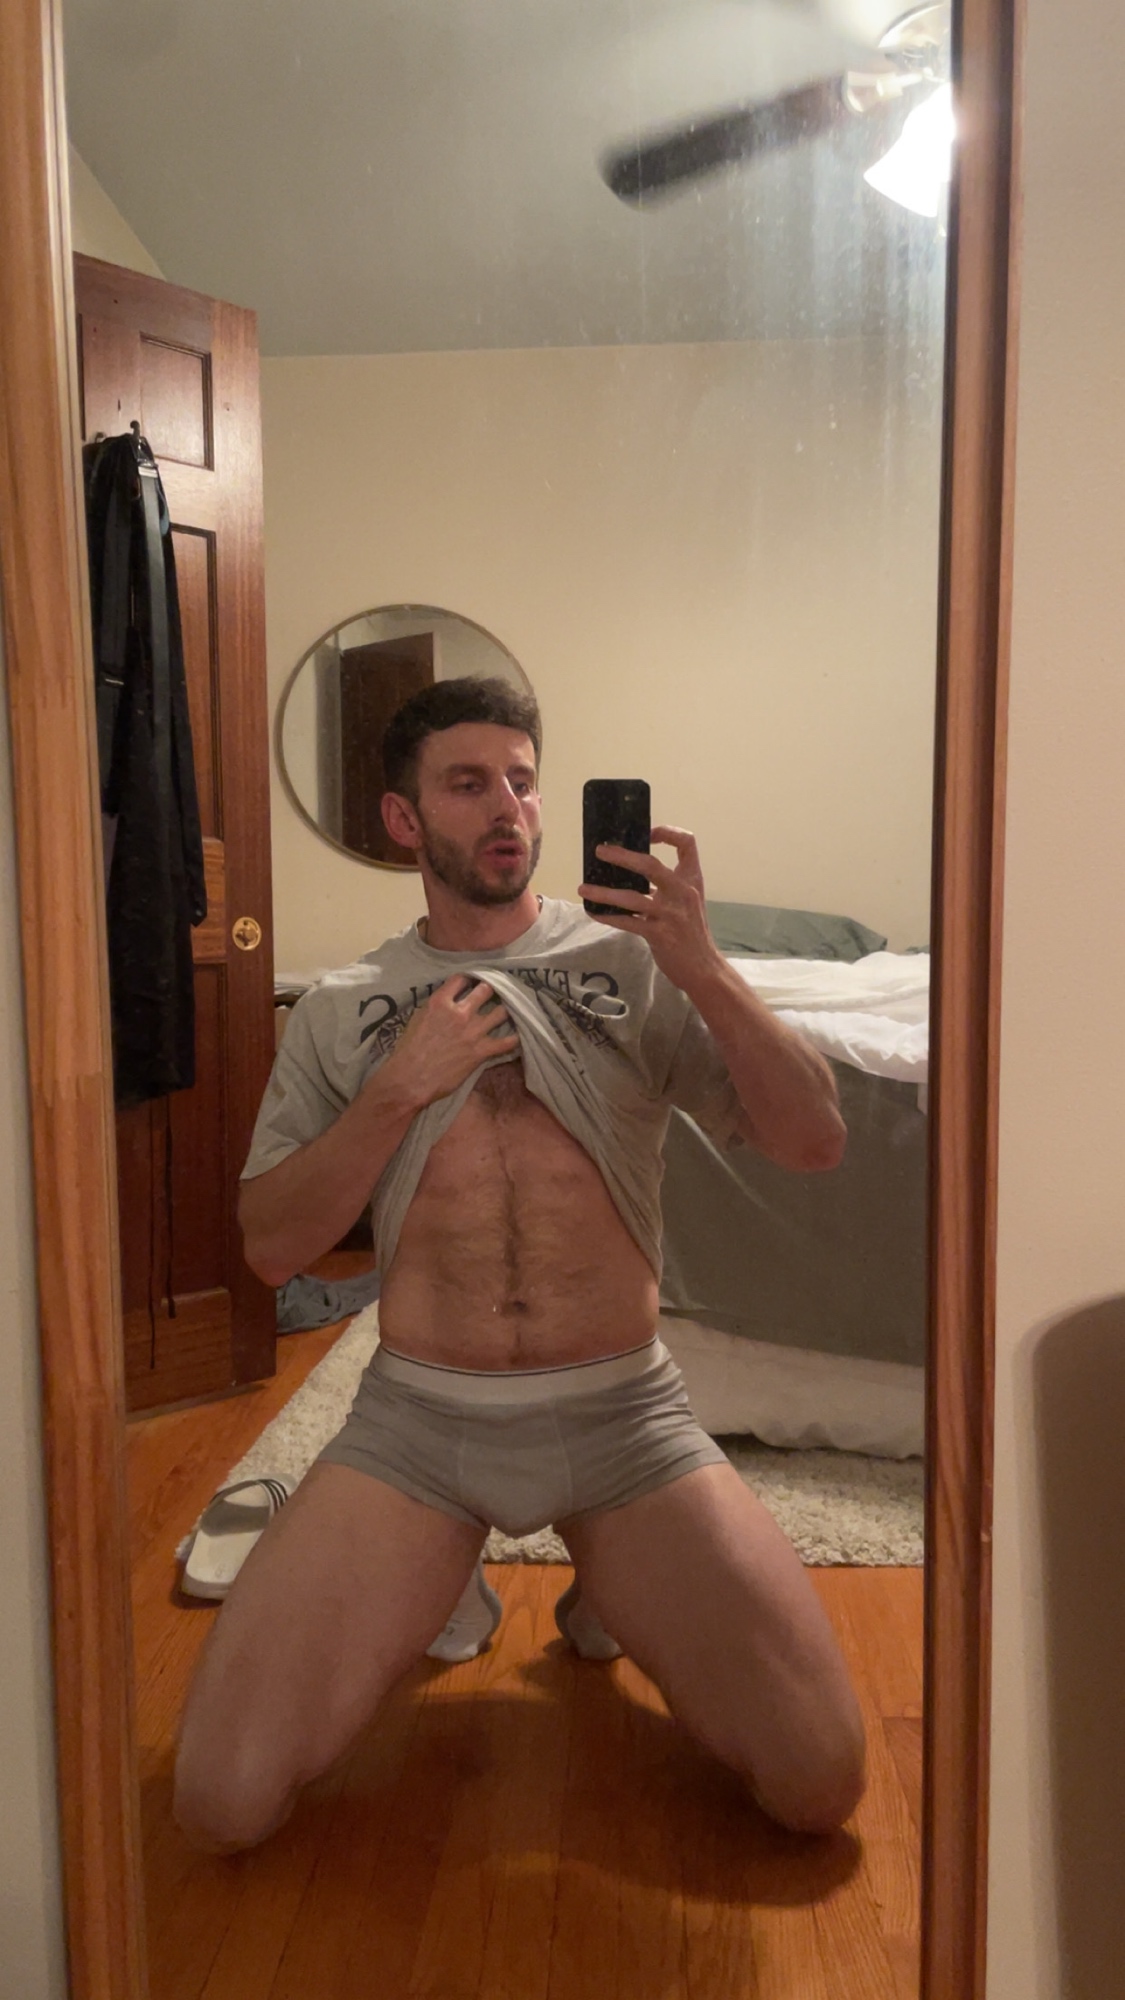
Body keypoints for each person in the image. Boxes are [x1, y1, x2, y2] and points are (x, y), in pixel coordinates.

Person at [174, 676, 865, 1852]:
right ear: (404, 820)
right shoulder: (342, 1007)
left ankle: (613, 1579)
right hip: (418, 1427)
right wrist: (397, 1089)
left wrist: (702, 963)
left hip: (623, 1420)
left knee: (819, 1779)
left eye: (523, 779)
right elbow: (271, 1244)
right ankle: (448, 1570)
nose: (508, 806)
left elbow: (816, 1140)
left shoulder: (635, 967)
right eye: (468, 782)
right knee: (221, 1800)